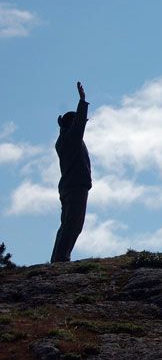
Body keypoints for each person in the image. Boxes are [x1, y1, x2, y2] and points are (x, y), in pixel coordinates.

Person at [51, 82, 92, 263]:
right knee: (73, 225)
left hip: (69, 187)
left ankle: (59, 256)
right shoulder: (71, 139)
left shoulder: (63, 141)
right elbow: (79, 124)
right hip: (75, 187)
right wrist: (82, 101)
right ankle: (61, 257)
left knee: (67, 224)